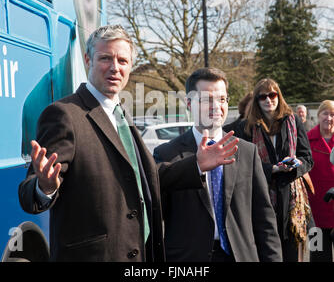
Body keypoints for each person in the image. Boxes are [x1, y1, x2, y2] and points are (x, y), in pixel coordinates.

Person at [18, 25, 238, 262]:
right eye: (105, 58)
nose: (115, 67)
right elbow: (29, 193)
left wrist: (196, 164)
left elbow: (145, 177)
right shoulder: (63, 114)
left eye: (122, 60)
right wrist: (45, 187)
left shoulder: (120, 114)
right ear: (87, 59)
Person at [154, 68, 282, 262]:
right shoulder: (167, 154)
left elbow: (264, 219)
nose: (216, 106)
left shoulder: (247, 152)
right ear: (189, 103)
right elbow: (156, 215)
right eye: (207, 100)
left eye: (222, 99)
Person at [237, 78, 314, 262]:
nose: (268, 100)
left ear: (279, 96)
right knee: (268, 253)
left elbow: (308, 158)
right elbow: (243, 164)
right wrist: (271, 169)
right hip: (263, 197)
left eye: (272, 95)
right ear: (256, 101)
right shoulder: (247, 127)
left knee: (292, 255)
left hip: (291, 201)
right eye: (262, 97)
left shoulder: (293, 120)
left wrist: (296, 165)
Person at [307, 100, 334, 262]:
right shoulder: (307, 140)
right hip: (315, 213)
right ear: (318, 115)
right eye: (325, 113)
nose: (329, 118)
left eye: (333, 115)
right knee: (317, 257)